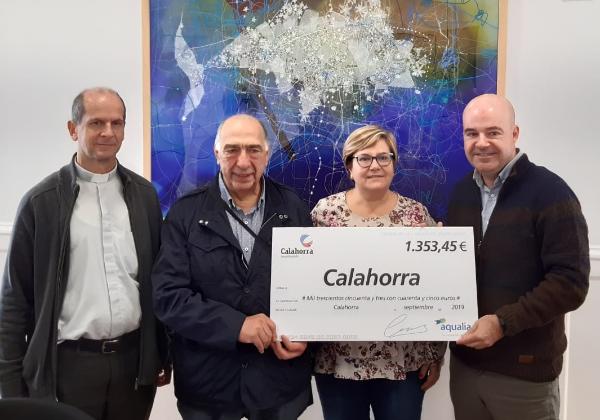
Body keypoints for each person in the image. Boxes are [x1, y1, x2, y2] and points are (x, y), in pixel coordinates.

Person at [0, 87, 169, 420]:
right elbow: (14, 303)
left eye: (116, 123)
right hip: (69, 366)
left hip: (133, 365)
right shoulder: (41, 203)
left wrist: (162, 353)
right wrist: (11, 389)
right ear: (73, 129)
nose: (108, 132)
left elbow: (159, 282)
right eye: (96, 123)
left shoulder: (145, 197)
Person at [152, 114, 313, 420]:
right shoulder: (185, 214)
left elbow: (312, 288)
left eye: (253, 150)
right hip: (208, 386)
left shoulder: (293, 208)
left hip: (277, 383)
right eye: (231, 150)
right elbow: (168, 297)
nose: (243, 161)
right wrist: (237, 326)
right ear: (217, 154)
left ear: (267, 154)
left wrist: (305, 335)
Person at [447, 94, 589, 420]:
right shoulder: (460, 194)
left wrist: (502, 323)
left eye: (493, 132)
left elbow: (570, 283)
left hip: (524, 373)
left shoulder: (551, 192)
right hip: (466, 368)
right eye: (471, 133)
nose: (482, 143)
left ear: (514, 134)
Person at [311, 125, 446, 420]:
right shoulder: (324, 214)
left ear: (394, 164)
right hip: (338, 362)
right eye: (364, 158)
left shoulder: (416, 215)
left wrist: (436, 354)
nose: (375, 165)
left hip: (404, 361)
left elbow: (437, 291)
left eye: (384, 157)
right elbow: (305, 282)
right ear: (350, 167)